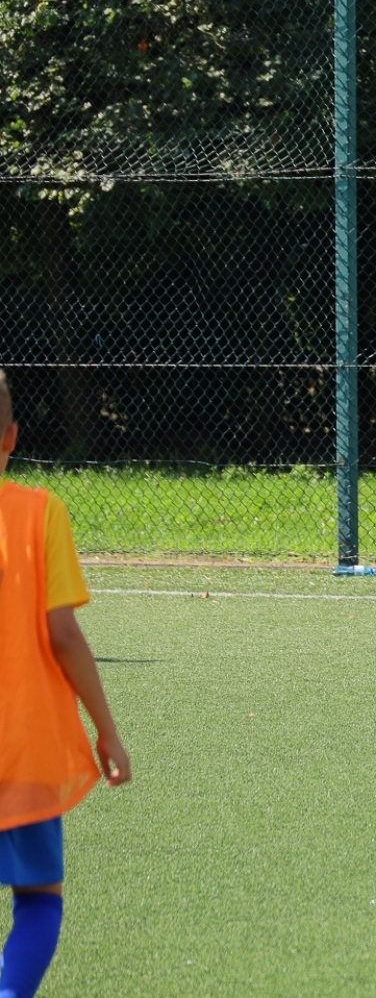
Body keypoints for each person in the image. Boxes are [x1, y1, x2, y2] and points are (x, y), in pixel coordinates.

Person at [0, 368, 132, 998]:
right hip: (24, 749)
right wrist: (106, 732)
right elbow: (63, 634)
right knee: (38, 899)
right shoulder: (40, 512)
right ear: (12, 437)